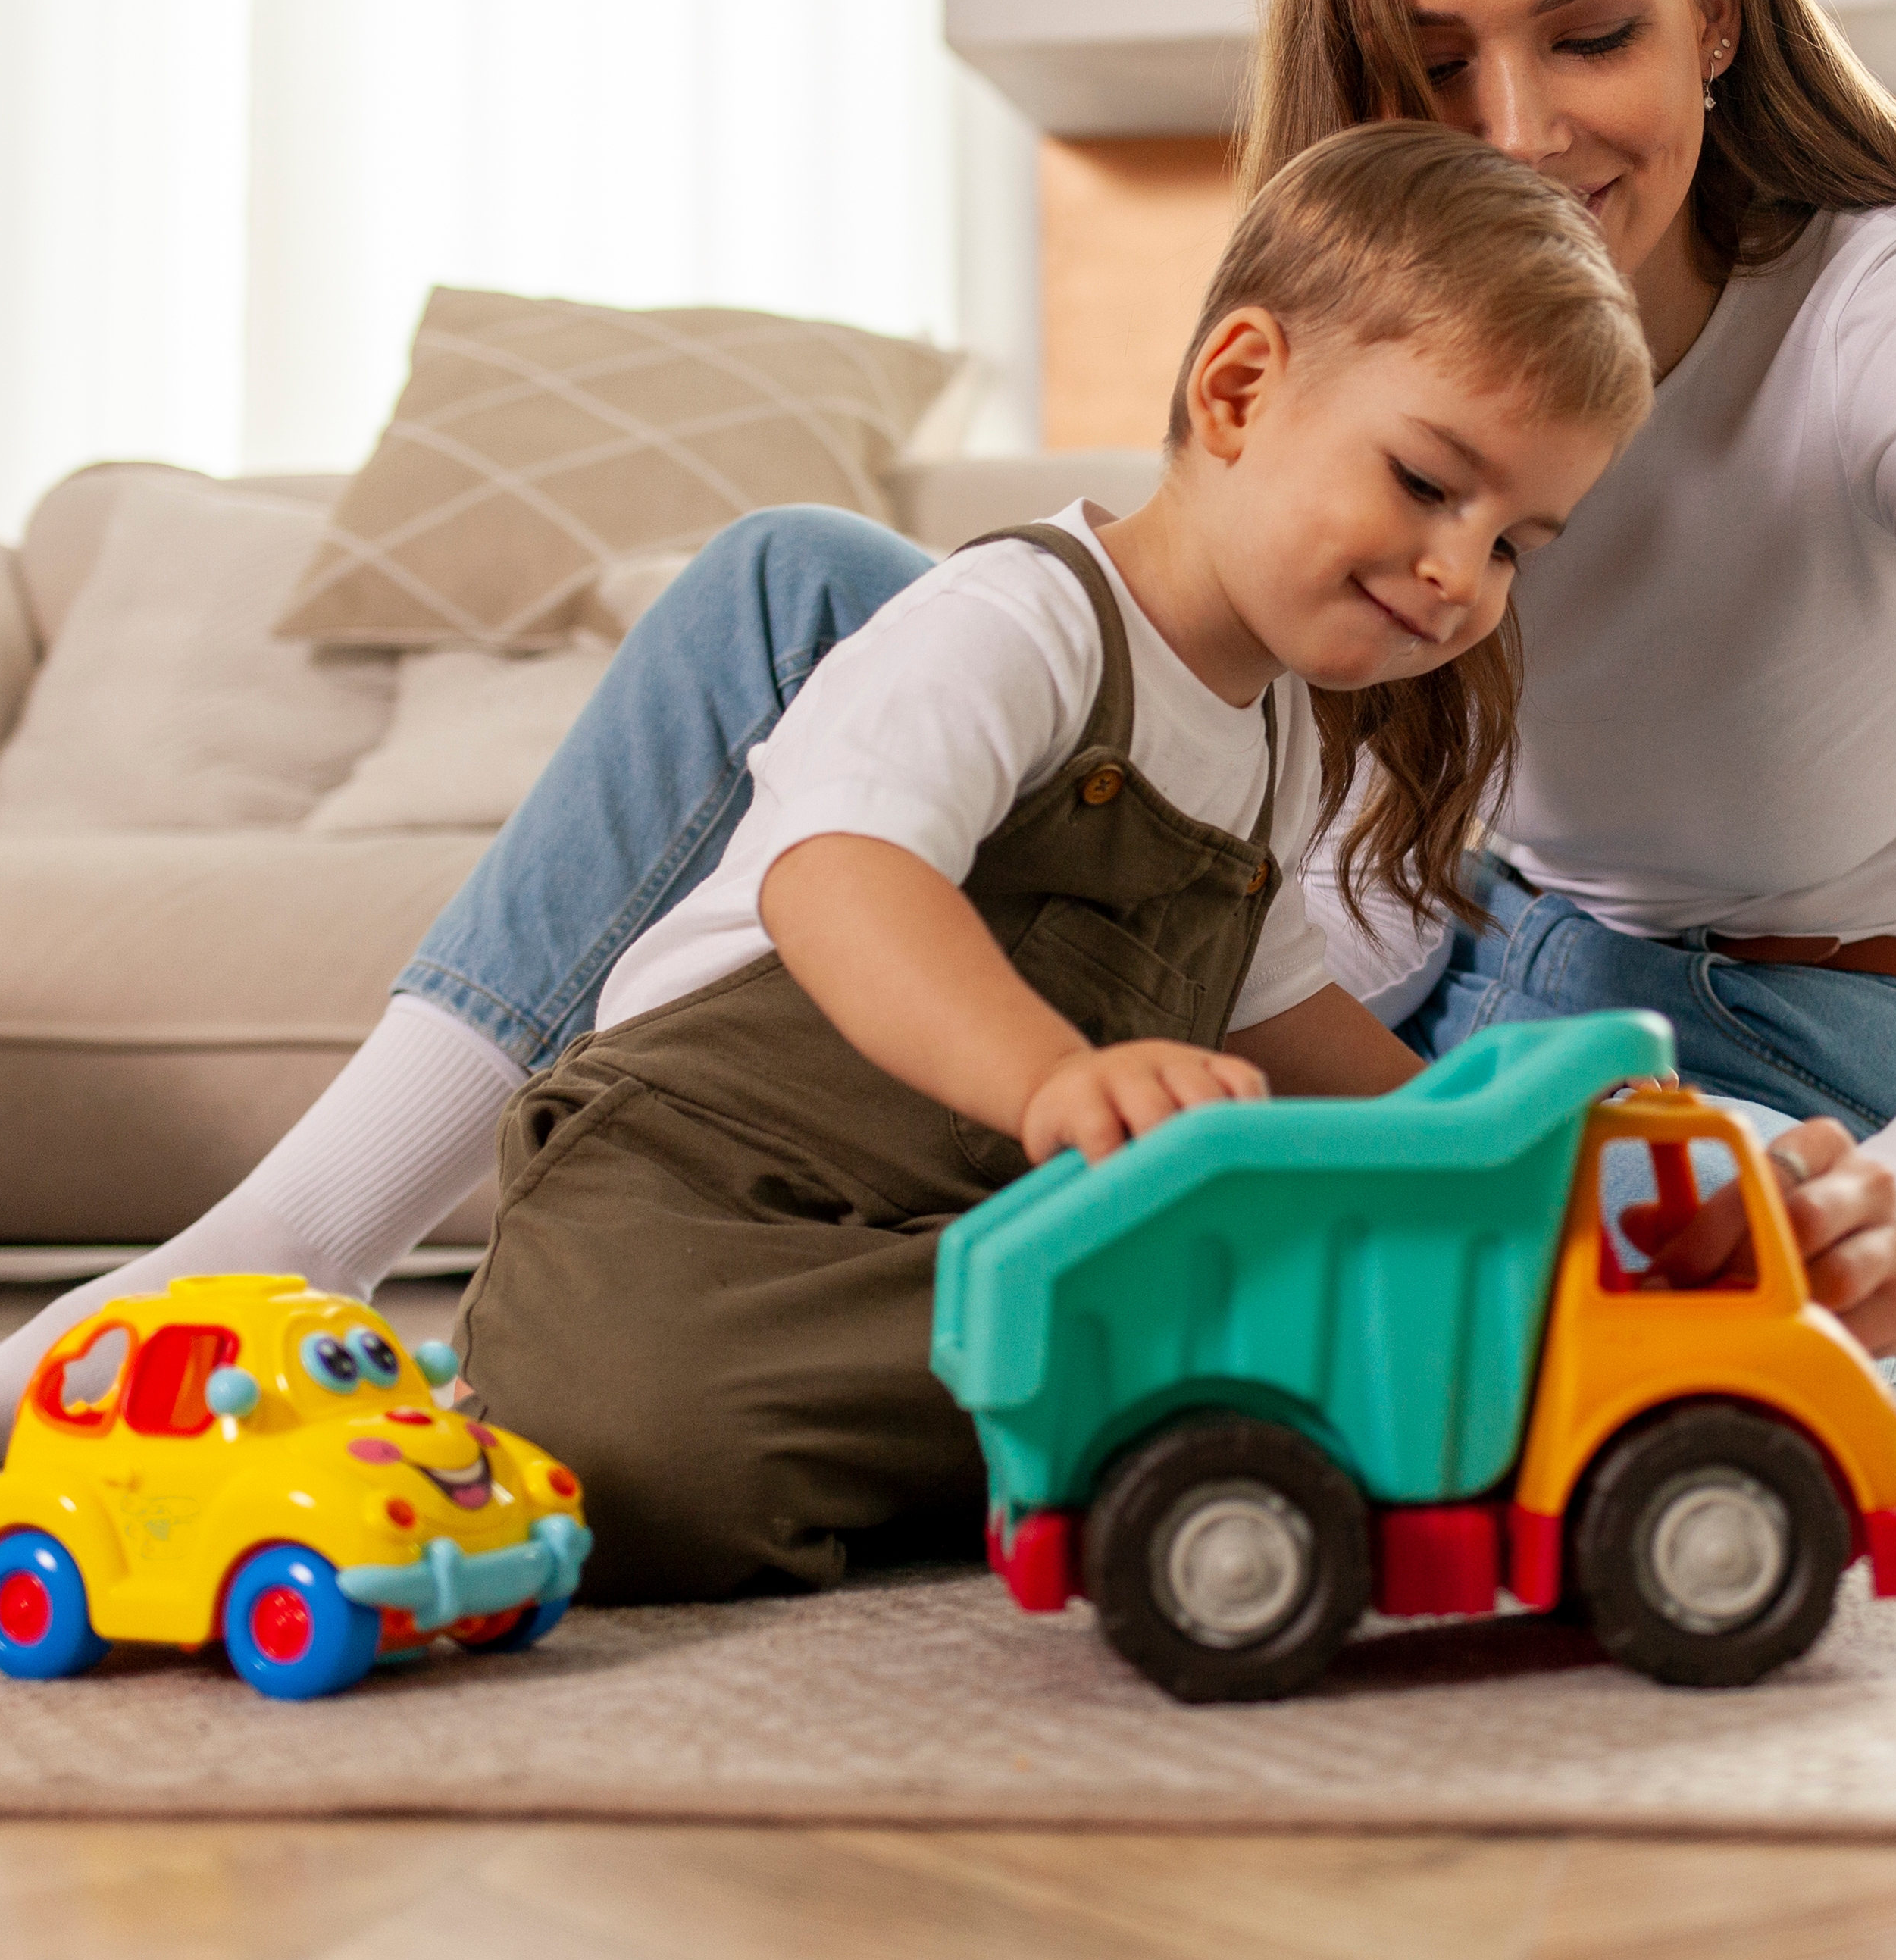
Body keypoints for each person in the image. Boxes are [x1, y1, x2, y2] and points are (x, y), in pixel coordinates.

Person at [0, 0, 1896, 1536]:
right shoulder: (1360, 373)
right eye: (1427, 70)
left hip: (1784, 1057)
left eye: (1585, 33)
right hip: (1449, 976)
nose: (1520, 134)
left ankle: (855, 1380)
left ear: (1713, 7)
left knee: (1617, 1407)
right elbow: (1168, 720)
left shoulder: (1893, 312)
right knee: (795, 586)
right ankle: (261, 1258)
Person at [449, 121, 1645, 1597]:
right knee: (623, 1463)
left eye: (1519, 541)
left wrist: (1485, 1149)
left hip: (951, 1233)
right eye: (1424, 483)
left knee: (1253, 1339)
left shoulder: (1272, 739)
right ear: (1240, 388)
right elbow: (838, 876)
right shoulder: (1016, 619)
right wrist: (1047, 1077)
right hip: (698, 1194)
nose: (1462, 574)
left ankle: (1026, 1447)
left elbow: (1276, 1013)